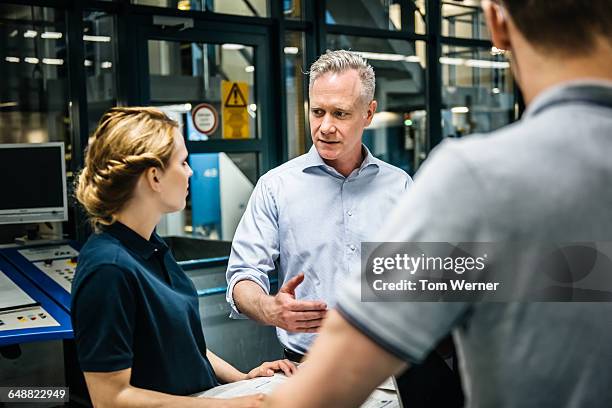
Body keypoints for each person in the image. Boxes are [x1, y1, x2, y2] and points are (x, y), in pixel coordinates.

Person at [265, 0, 612, 407]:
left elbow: (325, 389)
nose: (327, 125)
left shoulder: (476, 179)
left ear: (496, 22)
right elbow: (578, 278)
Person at [72, 107, 296, 408]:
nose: (190, 172)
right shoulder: (107, 269)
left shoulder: (151, 248)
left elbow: (186, 346)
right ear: (154, 176)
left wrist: (244, 380)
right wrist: (231, 405)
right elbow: (111, 398)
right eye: (182, 162)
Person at [226, 50, 412, 361]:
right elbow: (243, 275)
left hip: (390, 367)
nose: (325, 127)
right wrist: (269, 308)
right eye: (317, 112)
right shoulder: (276, 187)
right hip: (305, 368)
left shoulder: (401, 187)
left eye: (340, 114)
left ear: (368, 113)